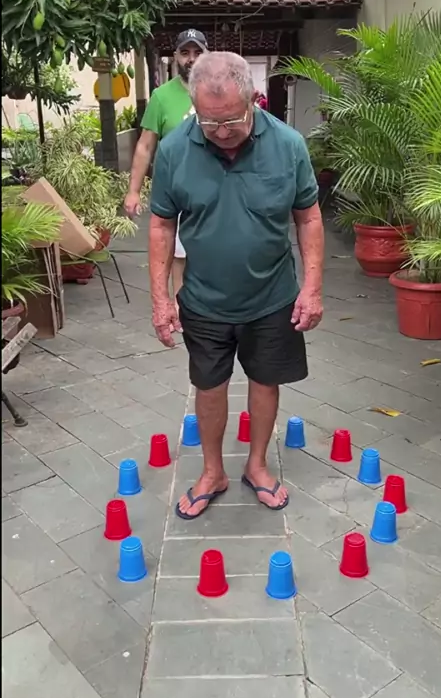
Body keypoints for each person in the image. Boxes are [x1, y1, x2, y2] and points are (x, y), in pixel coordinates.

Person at [149, 52, 324, 519]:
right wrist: (161, 299)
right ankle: (213, 472)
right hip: (204, 298)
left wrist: (311, 287)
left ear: (253, 100)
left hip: (272, 296)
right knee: (209, 386)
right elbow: (162, 225)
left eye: (231, 120)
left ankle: (257, 465)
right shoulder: (174, 150)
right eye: (209, 122)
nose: (222, 131)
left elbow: (308, 217)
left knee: (266, 381)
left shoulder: (288, 145)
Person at [124, 28, 208, 298]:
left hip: (215, 188)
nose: (191, 59)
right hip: (177, 191)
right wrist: (133, 191)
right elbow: (145, 146)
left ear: (207, 55)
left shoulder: (218, 90)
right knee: (179, 254)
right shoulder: (161, 97)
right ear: (175, 56)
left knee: (215, 251)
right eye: (185, 52)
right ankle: (182, 307)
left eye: (197, 52)